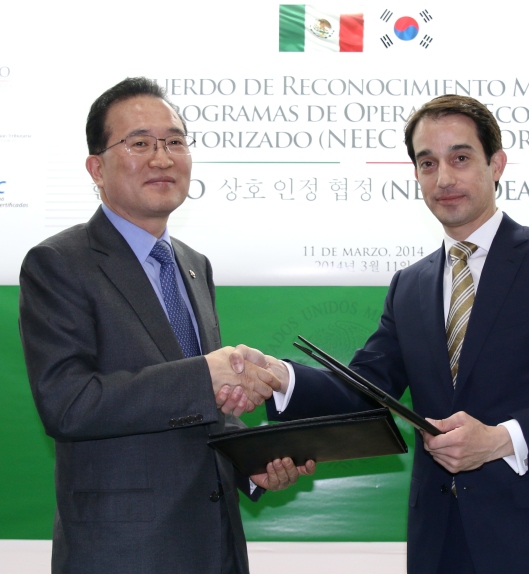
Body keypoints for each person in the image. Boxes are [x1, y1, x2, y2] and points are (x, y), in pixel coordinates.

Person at [244, 95, 529, 573]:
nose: (444, 178)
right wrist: (282, 377)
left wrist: (500, 438)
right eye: (428, 163)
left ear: (497, 163)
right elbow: (368, 388)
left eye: (460, 158)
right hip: (439, 542)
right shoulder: (411, 284)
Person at [19, 77, 314, 574]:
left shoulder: (194, 264)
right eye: (140, 143)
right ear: (96, 167)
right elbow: (67, 405)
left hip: (215, 545)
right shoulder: (59, 262)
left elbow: (200, 410)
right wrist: (206, 374)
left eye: (175, 142)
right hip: (122, 552)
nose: (162, 158)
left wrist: (252, 462)